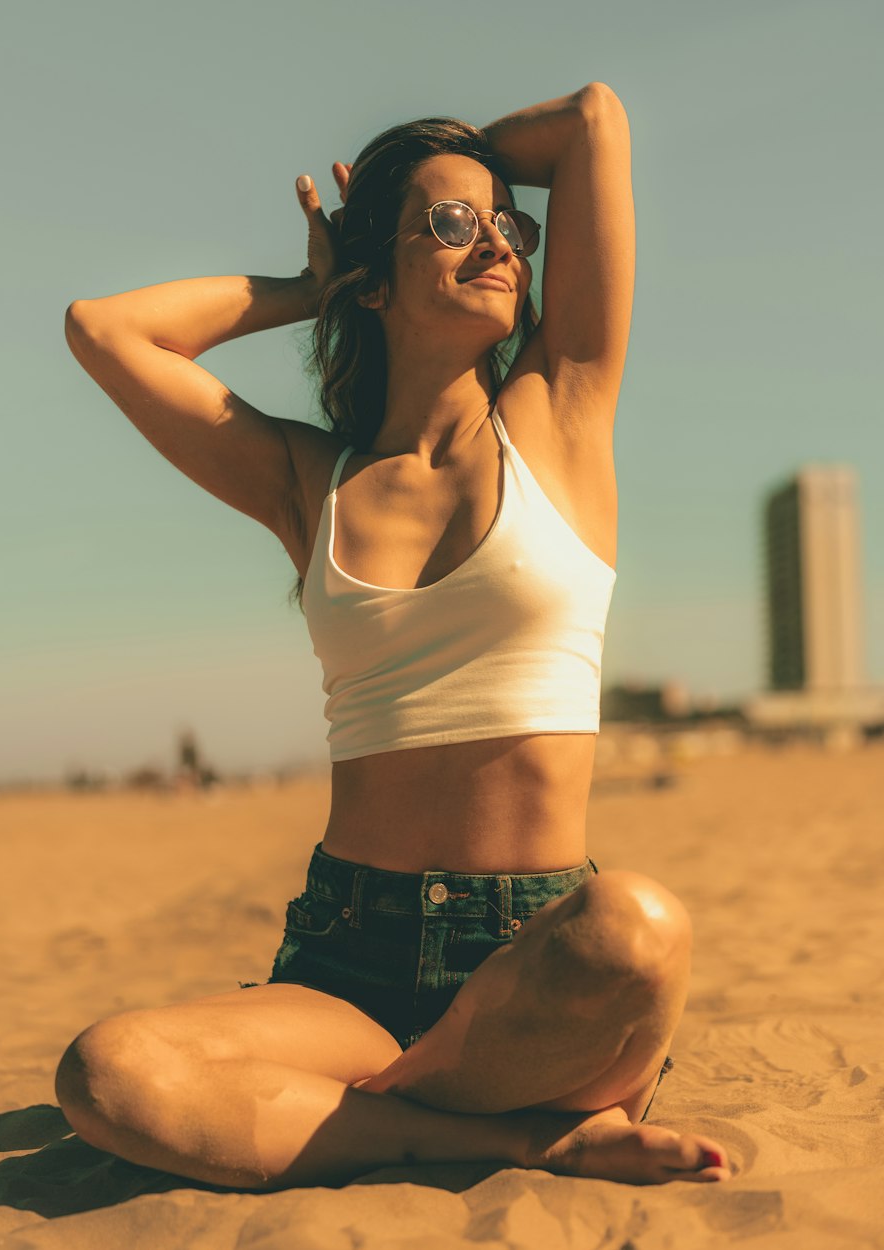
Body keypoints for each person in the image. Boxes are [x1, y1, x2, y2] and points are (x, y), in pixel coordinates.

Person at [56, 84, 731, 1191]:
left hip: (531, 956)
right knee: (109, 1071)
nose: (498, 244)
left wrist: (450, 167)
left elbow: (592, 123)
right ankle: (513, 1132)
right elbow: (103, 329)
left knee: (635, 926)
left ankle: (387, 1109)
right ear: (375, 279)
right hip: (345, 963)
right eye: (453, 225)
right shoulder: (307, 479)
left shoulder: (561, 410)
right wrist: (306, 285)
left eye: (508, 225)